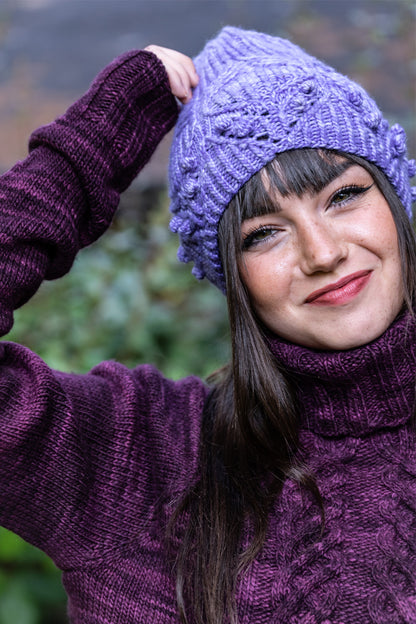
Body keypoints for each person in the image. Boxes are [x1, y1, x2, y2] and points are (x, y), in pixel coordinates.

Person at [0, 24, 415, 624]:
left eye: (342, 196)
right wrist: (81, 155)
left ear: (395, 202)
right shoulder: (139, 462)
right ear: (232, 276)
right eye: (264, 233)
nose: (322, 252)